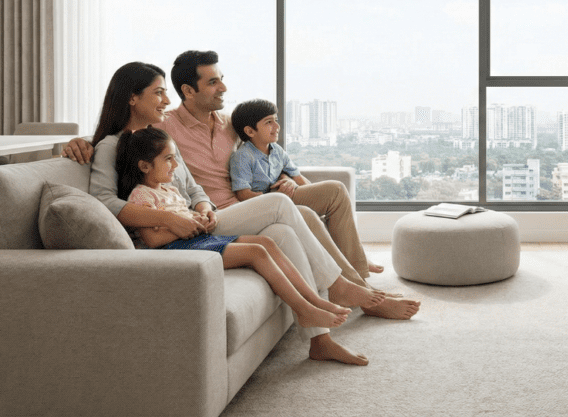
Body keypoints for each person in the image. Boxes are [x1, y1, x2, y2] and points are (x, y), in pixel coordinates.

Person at [65, 53, 418, 321]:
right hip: (195, 224)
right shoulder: (157, 131)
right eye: (159, 93)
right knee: (281, 206)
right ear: (133, 97)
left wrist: (204, 206)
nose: (166, 100)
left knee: (293, 223)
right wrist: (75, 143)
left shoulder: (203, 128)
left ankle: (326, 326)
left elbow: (198, 185)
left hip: (212, 213)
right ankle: (341, 288)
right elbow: (105, 192)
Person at [117, 126, 350, 332]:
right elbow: (152, 239)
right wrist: (190, 226)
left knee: (267, 242)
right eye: (168, 159)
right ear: (144, 166)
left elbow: (185, 216)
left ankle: (314, 300)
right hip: (177, 250)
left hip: (195, 240)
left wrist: (200, 217)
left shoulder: (170, 190)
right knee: (256, 252)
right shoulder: (141, 195)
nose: (175, 165)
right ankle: (303, 310)